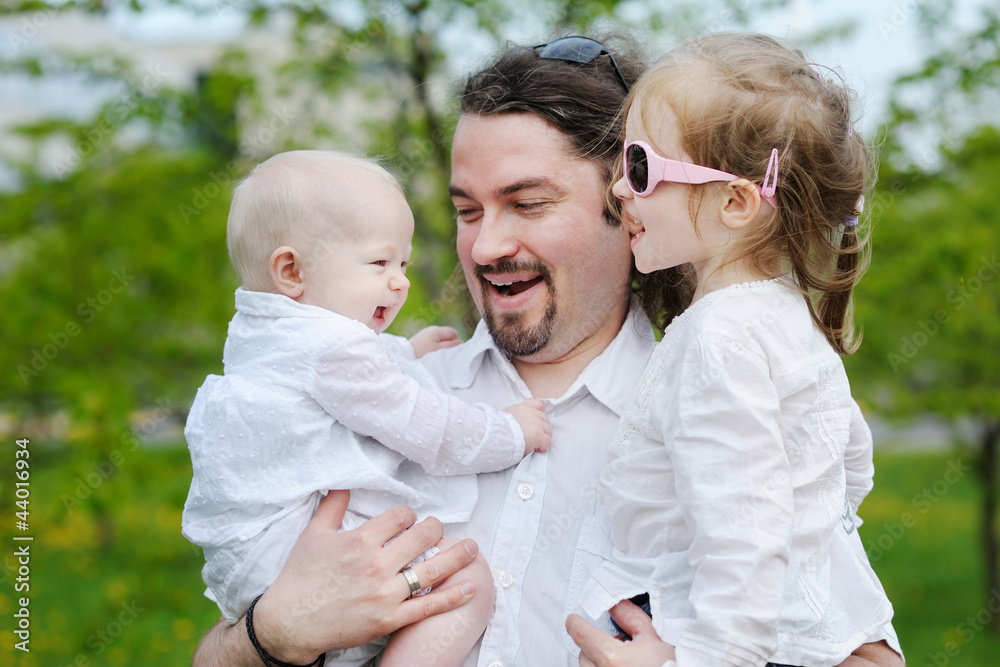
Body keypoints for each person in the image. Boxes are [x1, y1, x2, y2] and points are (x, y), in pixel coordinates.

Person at [192, 36, 905, 667]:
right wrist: (271, 636)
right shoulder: (380, 394)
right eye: (467, 211)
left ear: (624, 205)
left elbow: (855, 643)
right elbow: (223, 637)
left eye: (527, 203)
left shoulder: (721, 400)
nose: (486, 245)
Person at [574, 32, 896, 667]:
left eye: (640, 166)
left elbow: (742, 533)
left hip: (727, 638)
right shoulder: (785, 316)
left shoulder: (716, 337)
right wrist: (810, 548)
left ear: (735, 201)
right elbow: (849, 462)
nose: (618, 188)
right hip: (809, 628)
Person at [182, 150, 552, 667]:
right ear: (291, 270)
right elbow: (430, 428)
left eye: (402, 263)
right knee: (467, 580)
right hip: (307, 563)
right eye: (380, 263)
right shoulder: (334, 350)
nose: (399, 281)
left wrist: (407, 351)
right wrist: (510, 432)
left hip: (259, 568)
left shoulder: (261, 335)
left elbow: (351, 378)